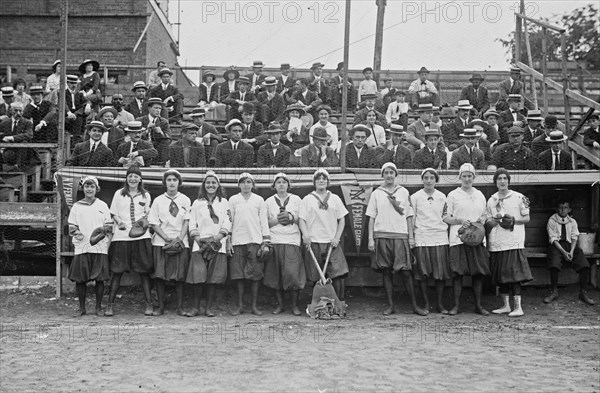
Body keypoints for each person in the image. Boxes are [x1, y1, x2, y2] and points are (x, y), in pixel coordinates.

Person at [366, 162, 426, 316]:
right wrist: (370, 239)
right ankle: (391, 306)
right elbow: (371, 217)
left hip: (400, 235)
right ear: (382, 175)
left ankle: (414, 306)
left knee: (406, 271)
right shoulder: (376, 193)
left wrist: (411, 237)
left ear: (396, 175)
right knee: (386, 271)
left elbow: (409, 216)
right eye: (386, 173)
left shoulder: (403, 192)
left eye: (392, 172)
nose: (389, 176)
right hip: (382, 235)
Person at [106, 166, 154, 316]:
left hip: (141, 237)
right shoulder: (119, 194)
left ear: (140, 179)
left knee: (144, 272)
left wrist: (143, 224)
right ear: (126, 178)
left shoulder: (146, 195)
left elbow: (148, 215)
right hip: (121, 237)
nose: (133, 179)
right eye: (130, 176)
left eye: (136, 176)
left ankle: (149, 304)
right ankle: (109, 305)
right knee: (117, 272)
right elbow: (113, 212)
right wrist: (119, 222)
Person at [443, 163, 490, 316]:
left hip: (477, 238)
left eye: (470, 176)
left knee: (478, 274)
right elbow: (445, 217)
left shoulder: (480, 194)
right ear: (460, 177)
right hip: (458, 238)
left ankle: (478, 306)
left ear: (474, 177)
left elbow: (485, 214)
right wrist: (460, 220)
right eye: (464, 176)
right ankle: (456, 306)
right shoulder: (453, 195)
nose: (467, 179)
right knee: (458, 274)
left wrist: (481, 219)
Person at [485, 168, 532, 317]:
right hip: (497, 241)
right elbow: (488, 220)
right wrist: (494, 220)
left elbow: (527, 218)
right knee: (501, 275)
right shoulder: (491, 200)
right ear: (495, 182)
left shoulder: (519, 197)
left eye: (505, 178)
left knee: (514, 275)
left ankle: (518, 307)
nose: (502, 181)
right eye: (499, 178)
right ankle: (505, 305)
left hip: (514, 241)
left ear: (508, 181)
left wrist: (513, 220)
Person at [299, 168, 349, 300]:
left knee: (336, 273)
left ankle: (337, 303)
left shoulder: (335, 198)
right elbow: (302, 219)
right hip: (314, 241)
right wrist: (306, 236)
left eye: (324, 179)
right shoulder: (307, 199)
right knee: (315, 275)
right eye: (318, 179)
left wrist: (337, 238)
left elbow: (342, 219)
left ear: (328, 181)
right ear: (314, 182)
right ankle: (319, 304)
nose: (321, 181)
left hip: (331, 241)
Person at [187, 171, 231, 317]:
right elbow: (192, 222)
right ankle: (195, 308)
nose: (211, 185)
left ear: (218, 185)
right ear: (204, 185)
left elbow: (228, 221)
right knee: (198, 277)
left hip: (217, 244)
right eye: (208, 183)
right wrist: (199, 239)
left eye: (213, 182)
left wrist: (217, 238)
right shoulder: (197, 203)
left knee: (213, 278)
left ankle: (209, 308)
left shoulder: (224, 202)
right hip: (200, 244)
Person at [148, 169, 191, 316]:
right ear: (164, 182)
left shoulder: (185, 199)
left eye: (174, 180)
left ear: (179, 182)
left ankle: (179, 307)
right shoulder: (158, 200)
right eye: (169, 180)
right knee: (160, 275)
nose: (172, 182)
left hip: (180, 242)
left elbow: (186, 221)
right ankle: (160, 307)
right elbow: (153, 222)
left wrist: (179, 239)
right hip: (161, 242)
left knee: (179, 276)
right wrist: (166, 238)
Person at [67, 176, 112, 316]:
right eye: (87, 186)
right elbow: (72, 226)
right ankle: (82, 308)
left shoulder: (102, 205)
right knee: (80, 279)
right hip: (82, 246)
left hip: (99, 246)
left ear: (96, 189)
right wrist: (78, 233)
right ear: (83, 188)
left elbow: (108, 226)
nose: (89, 189)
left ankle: (98, 308)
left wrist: (104, 237)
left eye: (92, 186)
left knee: (99, 279)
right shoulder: (76, 206)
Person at [229, 172, 271, 315]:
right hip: (237, 240)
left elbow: (264, 221)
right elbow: (230, 221)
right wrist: (229, 240)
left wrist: (265, 241)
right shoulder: (233, 200)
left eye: (249, 182)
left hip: (255, 240)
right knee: (238, 275)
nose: (246, 185)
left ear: (253, 184)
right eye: (243, 182)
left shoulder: (259, 200)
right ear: (239, 184)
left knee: (255, 274)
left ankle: (254, 306)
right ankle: (240, 306)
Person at [411, 168, 451, 314]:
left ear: (436, 180)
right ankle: (426, 304)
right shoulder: (415, 197)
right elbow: (412, 218)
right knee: (423, 274)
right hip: (422, 237)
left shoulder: (442, 197)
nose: (428, 180)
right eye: (426, 178)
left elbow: (446, 216)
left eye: (431, 178)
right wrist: (412, 237)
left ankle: (440, 304)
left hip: (440, 237)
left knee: (439, 274)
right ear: (422, 180)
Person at [264, 172, 305, 315]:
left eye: (284, 182)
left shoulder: (296, 199)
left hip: (292, 240)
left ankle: (294, 305)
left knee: (292, 274)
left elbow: (303, 219)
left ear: (288, 184)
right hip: (275, 240)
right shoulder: (268, 201)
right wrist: (276, 220)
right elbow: (263, 224)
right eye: (278, 182)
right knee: (276, 275)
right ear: (274, 185)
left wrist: (291, 217)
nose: (281, 184)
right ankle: (280, 305)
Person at [544, 201, 595, 305]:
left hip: (570, 245)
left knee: (584, 264)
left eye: (565, 207)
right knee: (554, 264)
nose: (563, 209)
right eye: (561, 207)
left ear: (569, 209)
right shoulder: (552, 220)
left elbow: (574, 237)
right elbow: (553, 238)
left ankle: (583, 292)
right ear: (557, 209)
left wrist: (571, 252)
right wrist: (564, 252)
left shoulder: (572, 221)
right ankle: (554, 291)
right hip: (556, 245)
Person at [0, 102, 38, 172]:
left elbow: (29, 135)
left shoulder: (27, 123)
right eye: (15, 110)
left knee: (24, 142)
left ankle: (18, 166)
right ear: (11, 111)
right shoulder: (4, 123)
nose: (18, 113)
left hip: (25, 153)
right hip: (10, 151)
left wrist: (12, 137)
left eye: (20, 111)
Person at [136, 97, 171, 165]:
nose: (158, 110)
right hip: (143, 146)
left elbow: (169, 138)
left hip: (158, 148)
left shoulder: (164, 122)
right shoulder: (140, 120)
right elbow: (134, 136)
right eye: (156, 108)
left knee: (166, 141)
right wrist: (146, 130)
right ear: (149, 108)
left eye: (160, 108)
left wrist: (161, 133)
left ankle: (161, 163)